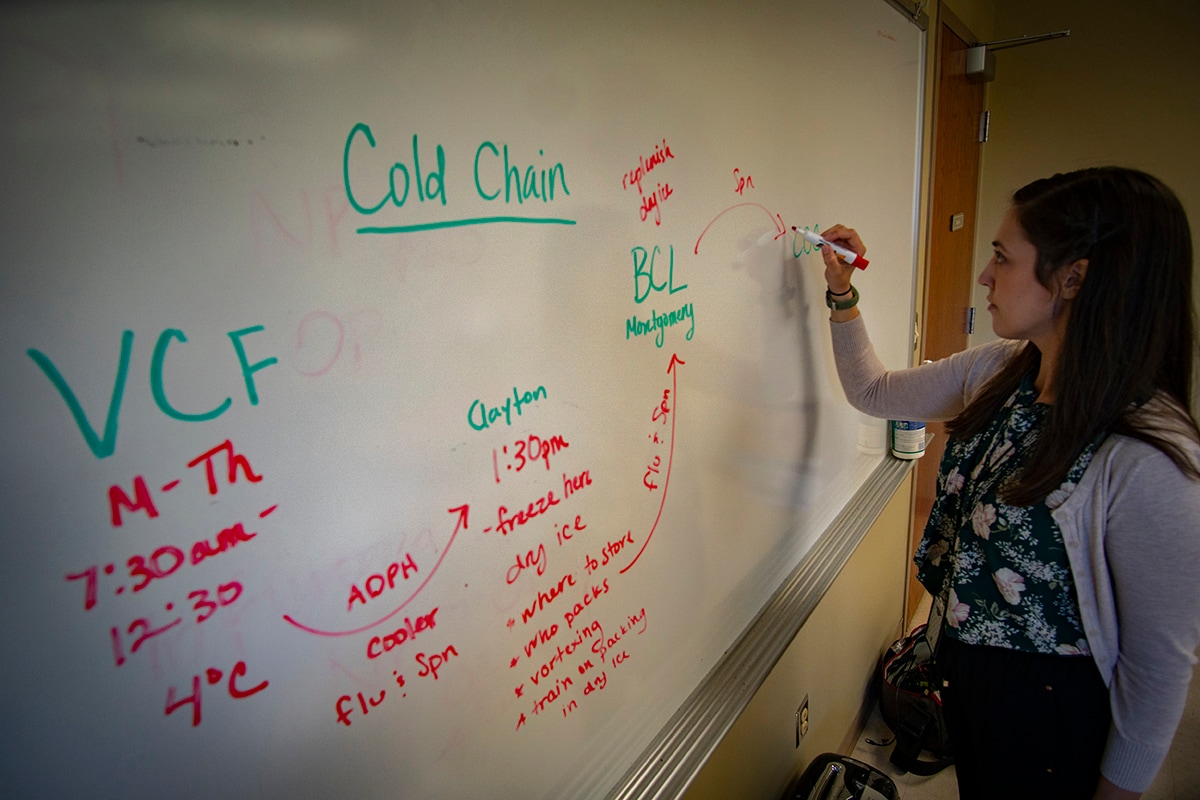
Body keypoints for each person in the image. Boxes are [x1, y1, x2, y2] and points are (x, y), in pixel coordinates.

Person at [818, 166, 1200, 799]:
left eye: (1002, 257)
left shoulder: (1147, 455)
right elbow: (875, 391)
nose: (985, 277)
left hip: (1053, 708)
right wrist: (841, 293)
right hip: (972, 674)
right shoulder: (1003, 370)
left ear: (1074, 278)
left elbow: (1158, 665)